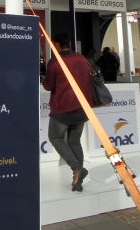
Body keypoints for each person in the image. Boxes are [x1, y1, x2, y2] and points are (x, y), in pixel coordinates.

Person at [42, 33, 93, 192]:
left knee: (55, 137)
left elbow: (48, 86)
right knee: (74, 141)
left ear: (56, 44)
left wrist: (44, 79)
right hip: (82, 107)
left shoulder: (55, 61)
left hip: (63, 108)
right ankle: (78, 179)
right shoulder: (81, 58)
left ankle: (77, 168)